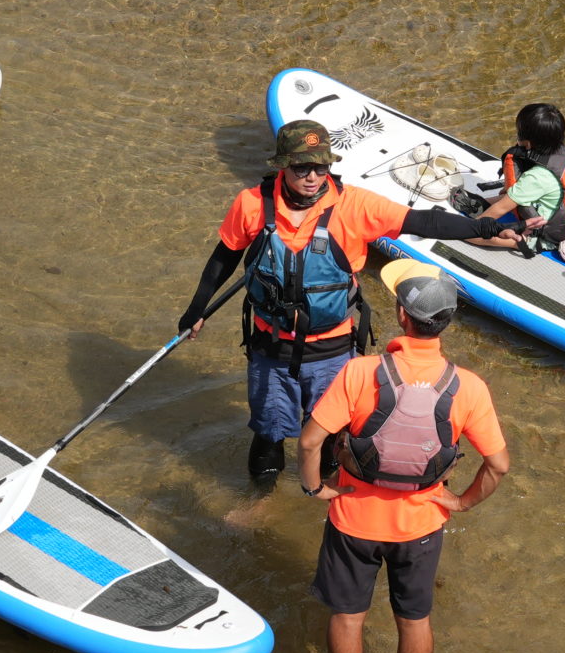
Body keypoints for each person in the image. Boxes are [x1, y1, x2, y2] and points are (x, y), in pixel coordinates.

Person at [180, 120, 520, 485]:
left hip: (332, 351)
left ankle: (322, 501)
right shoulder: (251, 204)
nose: (312, 177)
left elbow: (424, 222)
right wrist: (196, 309)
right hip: (270, 347)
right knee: (267, 434)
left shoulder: (355, 206)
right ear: (282, 166)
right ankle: (257, 506)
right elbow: (224, 256)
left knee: (329, 439)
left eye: (321, 167)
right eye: (301, 167)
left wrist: (483, 227)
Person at [298, 263, 508, 653]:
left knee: (348, 617)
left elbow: (311, 440)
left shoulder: (361, 372)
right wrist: (460, 501)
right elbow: (498, 465)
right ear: (447, 322)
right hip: (421, 525)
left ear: (400, 314)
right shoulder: (469, 387)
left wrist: (315, 488)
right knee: (413, 620)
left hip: (353, 518)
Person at [469, 103, 565, 249]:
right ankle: (480, 203)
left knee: (475, 235)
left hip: (552, 234)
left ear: (528, 144)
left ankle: (530, 242)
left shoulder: (537, 177)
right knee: (518, 196)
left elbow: (501, 209)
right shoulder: (562, 154)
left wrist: (470, 227)